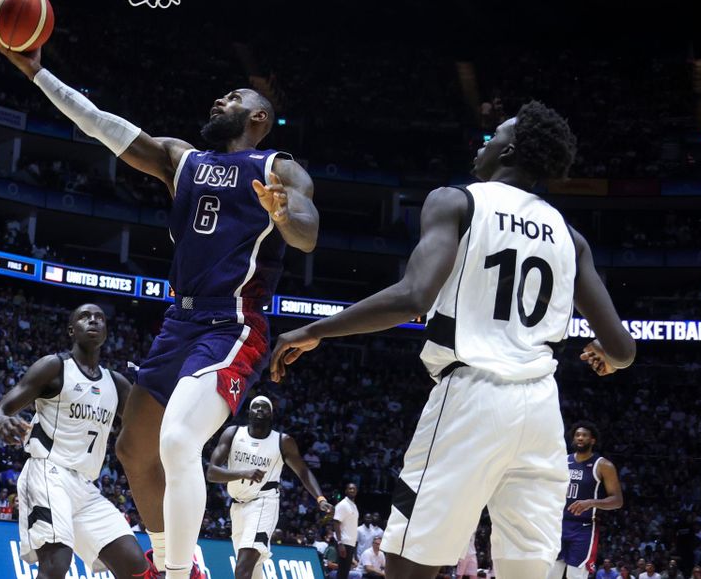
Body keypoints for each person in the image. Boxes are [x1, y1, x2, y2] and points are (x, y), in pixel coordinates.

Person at [0, 22, 319, 579]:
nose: (222, 99)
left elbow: (308, 231)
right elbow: (101, 126)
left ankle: (173, 572)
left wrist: (286, 213)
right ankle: (176, 559)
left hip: (232, 324)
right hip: (180, 322)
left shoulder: (275, 167)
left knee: (178, 438)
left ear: (258, 118)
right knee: (135, 449)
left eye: (235, 97)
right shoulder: (181, 159)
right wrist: (38, 72)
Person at [271, 103, 637, 579]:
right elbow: (623, 350)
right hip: (543, 413)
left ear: (509, 149)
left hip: (472, 396)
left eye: (492, 136)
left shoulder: (456, 200)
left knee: (407, 563)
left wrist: (313, 329)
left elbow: (412, 296)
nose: (481, 144)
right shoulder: (571, 237)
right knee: (527, 570)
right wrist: (606, 356)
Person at [0, 303, 155, 579]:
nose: (93, 321)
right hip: (47, 472)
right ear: (71, 330)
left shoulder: (117, 384)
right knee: (55, 565)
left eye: (100, 318)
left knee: (135, 565)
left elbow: (147, 430)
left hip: (85, 486)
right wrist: (3, 423)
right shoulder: (54, 367)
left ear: (106, 331)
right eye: (84, 317)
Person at [206, 395, 331, 579]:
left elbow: (303, 472)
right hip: (237, 506)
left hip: (263, 504)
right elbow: (211, 473)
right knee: (253, 571)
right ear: (249, 412)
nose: (259, 410)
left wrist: (320, 499)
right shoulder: (232, 434)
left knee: (242, 569)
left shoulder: (283, 441)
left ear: (271, 415)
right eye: (255, 406)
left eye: (264, 408)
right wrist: (243, 473)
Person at [548, 422, 624, 579]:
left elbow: (617, 500)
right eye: (577, 435)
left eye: (584, 435)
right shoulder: (563, 461)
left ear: (592, 440)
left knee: (575, 576)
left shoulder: (603, 465)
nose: (580, 438)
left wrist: (591, 502)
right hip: (558, 524)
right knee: (550, 575)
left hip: (584, 528)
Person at [333, 483, 360, 578]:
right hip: (343, 543)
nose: (352, 490)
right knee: (342, 572)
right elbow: (336, 522)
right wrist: (340, 543)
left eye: (354, 489)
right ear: (346, 491)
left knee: (345, 573)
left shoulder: (353, 505)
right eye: (350, 488)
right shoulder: (343, 504)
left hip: (351, 543)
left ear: (356, 491)